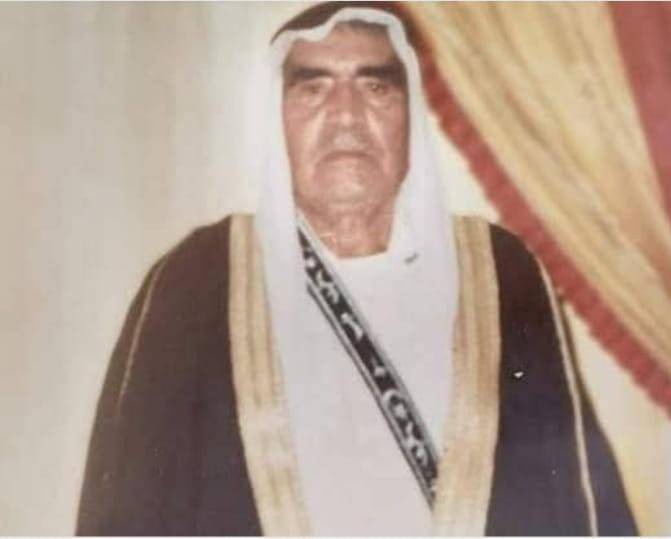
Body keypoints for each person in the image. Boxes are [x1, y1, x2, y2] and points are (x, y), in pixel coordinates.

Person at [77, 3, 638, 536]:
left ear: (409, 116)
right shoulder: (196, 281)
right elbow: (128, 510)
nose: (346, 116)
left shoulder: (500, 274)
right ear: (276, 118)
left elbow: (576, 503)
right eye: (313, 88)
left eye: (375, 88)